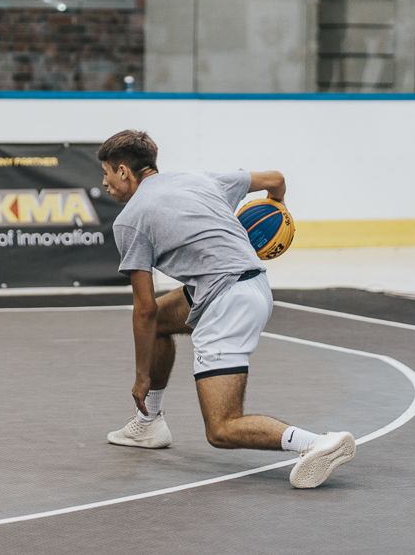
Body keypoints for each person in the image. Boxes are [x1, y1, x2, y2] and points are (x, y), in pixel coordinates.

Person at [98, 130, 355, 489]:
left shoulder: (130, 220)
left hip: (228, 303)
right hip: (253, 284)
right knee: (164, 321)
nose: (105, 183)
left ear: (124, 171)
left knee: (221, 428)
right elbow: (276, 180)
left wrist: (142, 378)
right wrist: (277, 209)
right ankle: (148, 424)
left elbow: (143, 311)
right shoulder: (201, 179)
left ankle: (316, 443)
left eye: (107, 173)